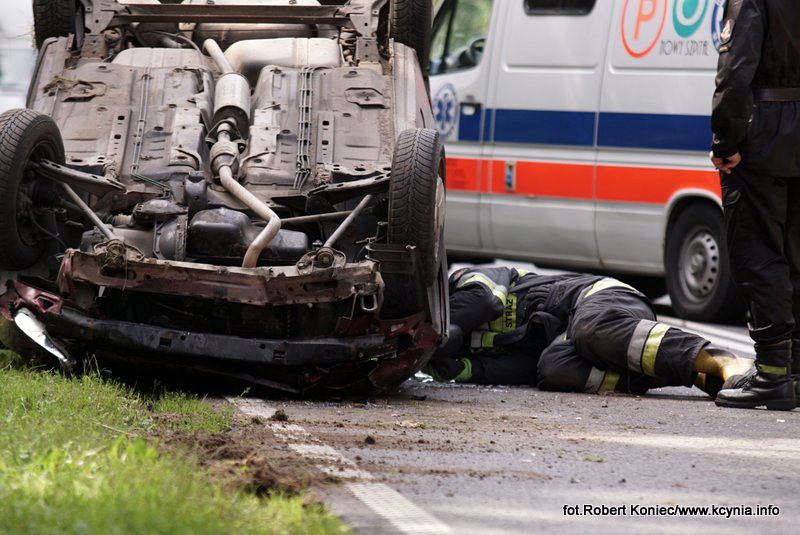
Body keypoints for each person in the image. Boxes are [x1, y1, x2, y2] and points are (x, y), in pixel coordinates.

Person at [424, 267, 754, 398]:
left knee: (589, 329)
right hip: (566, 341)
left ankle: (721, 359)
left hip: (598, 299)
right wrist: (462, 370)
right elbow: (524, 369)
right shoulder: (452, 353)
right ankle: (691, 372)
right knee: (553, 369)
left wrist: (450, 327)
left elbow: (486, 299)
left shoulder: (461, 282)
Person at [710, 0, 800, 410]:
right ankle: (794, 372)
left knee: (759, 252)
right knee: (795, 254)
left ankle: (772, 375)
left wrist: (725, 141)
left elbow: (736, 71)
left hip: (764, 133)